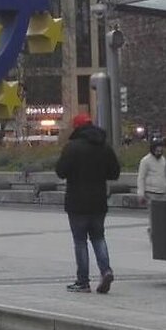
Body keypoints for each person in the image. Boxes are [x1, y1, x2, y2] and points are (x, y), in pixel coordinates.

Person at [55, 113, 121, 294]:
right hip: (99, 200)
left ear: (77, 128)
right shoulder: (104, 147)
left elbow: (61, 171)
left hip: (77, 201)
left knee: (80, 241)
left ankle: (83, 281)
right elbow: (115, 172)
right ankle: (106, 270)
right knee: (99, 237)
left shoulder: (72, 147)